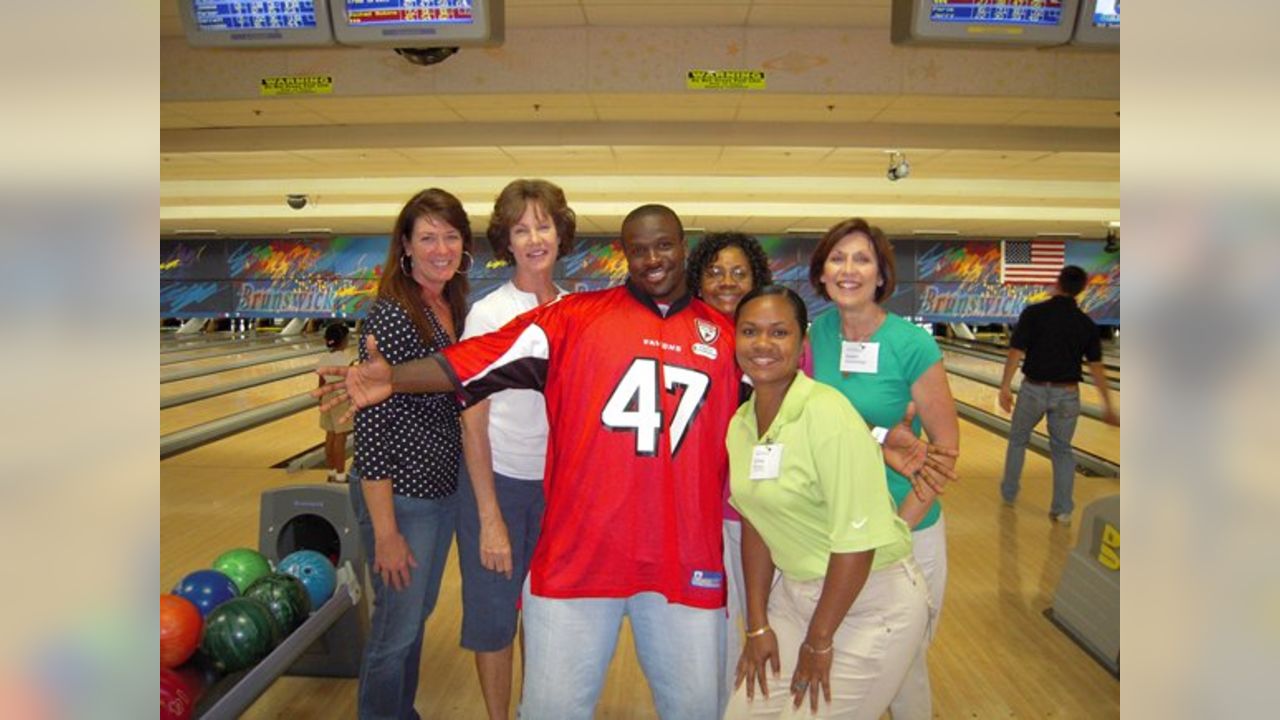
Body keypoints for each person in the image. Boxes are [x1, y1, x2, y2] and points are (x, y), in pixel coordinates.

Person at [321, 204, 738, 719]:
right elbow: (477, 360)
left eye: (665, 245)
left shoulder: (727, 339)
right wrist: (393, 378)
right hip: (578, 564)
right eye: (639, 248)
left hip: (684, 565)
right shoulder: (574, 320)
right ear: (623, 254)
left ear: (684, 247)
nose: (653, 258)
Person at [726, 285, 929, 719]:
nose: (762, 344)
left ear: (802, 345)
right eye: (749, 331)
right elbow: (756, 523)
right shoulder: (741, 424)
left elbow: (858, 542)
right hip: (795, 600)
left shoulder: (828, 413)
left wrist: (819, 640)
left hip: (869, 602)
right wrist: (757, 624)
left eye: (779, 332)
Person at [805, 217, 960, 720]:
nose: (848, 269)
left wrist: (897, 526)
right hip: (839, 529)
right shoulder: (814, 336)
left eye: (862, 259)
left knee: (904, 665)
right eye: (838, 258)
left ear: (880, 275)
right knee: (846, 657)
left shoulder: (912, 344)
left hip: (905, 527)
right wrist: (880, 436)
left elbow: (945, 450)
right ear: (822, 272)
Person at [348, 188, 473, 720]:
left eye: (450, 236)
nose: (440, 248)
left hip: (441, 491)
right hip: (400, 496)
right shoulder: (393, 316)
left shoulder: (450, 305)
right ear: (405, 245)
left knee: (415, 615)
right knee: (396, 628)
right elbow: (371, 429)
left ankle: (402, 712)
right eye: (428, 237)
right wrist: (388, 533)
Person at [456, 179, 575, 720]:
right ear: (505, 240)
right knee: (495, 616)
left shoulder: (578, 312)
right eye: (521, 228)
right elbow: (473, 425)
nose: (534, 238)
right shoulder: (488, 314)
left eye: (543, 225)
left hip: (557, 488)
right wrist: (489, 518)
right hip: (499, 482)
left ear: (560, 232)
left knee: (548, 614)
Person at [687, 231, 773, 715]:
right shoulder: (683, 335)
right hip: (702, 513)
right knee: (713, 631)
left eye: (739, 273)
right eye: (715, 271)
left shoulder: (768, 340)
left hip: (758, 516)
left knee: (762, 625)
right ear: (697, 279)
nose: (726, 281)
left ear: (755, 278)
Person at [998, 264, 1119, 524]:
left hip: (1033, 389)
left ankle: (1009, 493)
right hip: (1067, 394)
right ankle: (1063, 509)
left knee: (1018, 439)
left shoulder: (1033, 313)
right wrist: (1108, 405)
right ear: (1081, 290)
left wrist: (1005, 386)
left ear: (1058, 283)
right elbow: (1097, 368)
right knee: (1062, 449)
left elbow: (1015, 352)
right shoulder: (1086, 323)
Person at [318, 322, 354, 483]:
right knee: (341, 438)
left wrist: (321, 400)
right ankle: (340, 475)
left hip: (327, 396)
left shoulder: (323, 358)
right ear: (344, 340)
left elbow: (321, 381)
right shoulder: (346, 359)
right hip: (340, 398)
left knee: (330, 435)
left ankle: (332, 473)